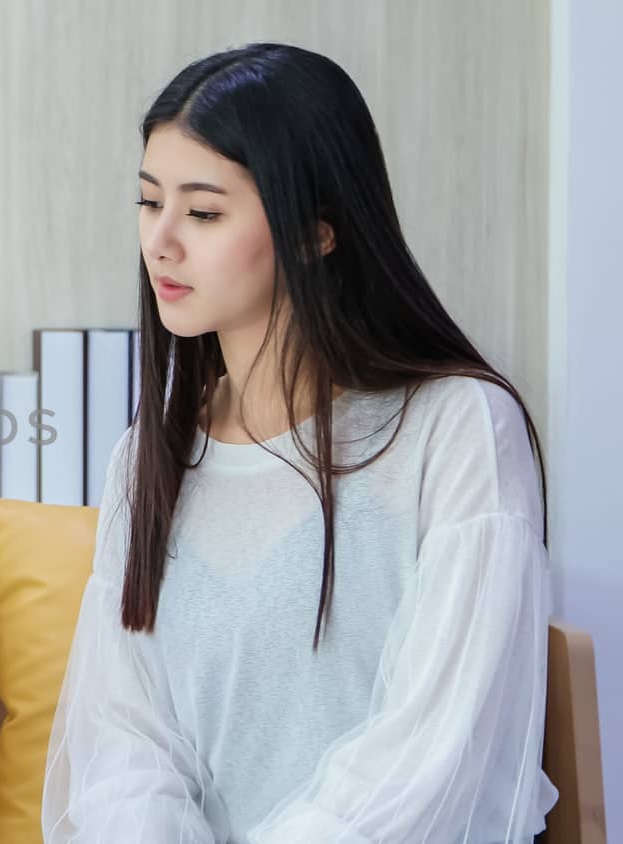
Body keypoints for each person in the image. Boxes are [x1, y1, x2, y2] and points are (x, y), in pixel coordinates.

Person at [41, 43, 555, 843]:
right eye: (148, 202)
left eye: (204, 212)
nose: (161, 242)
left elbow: (432, 758)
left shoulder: (458, 430)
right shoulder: (150, 460)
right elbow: (124, 749)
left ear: (318, 233)